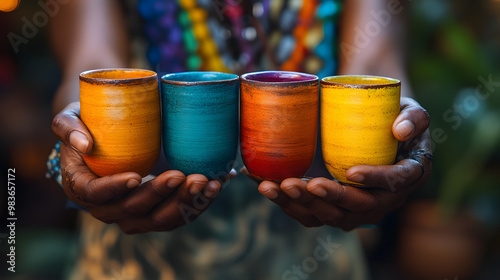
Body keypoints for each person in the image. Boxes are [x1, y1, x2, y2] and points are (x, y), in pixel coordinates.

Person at [47, 0, 432, 278]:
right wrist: (79, 141)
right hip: (131, 261)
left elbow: (372, 67)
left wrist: (393, 132)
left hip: (315, 246)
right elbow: (94, 62)